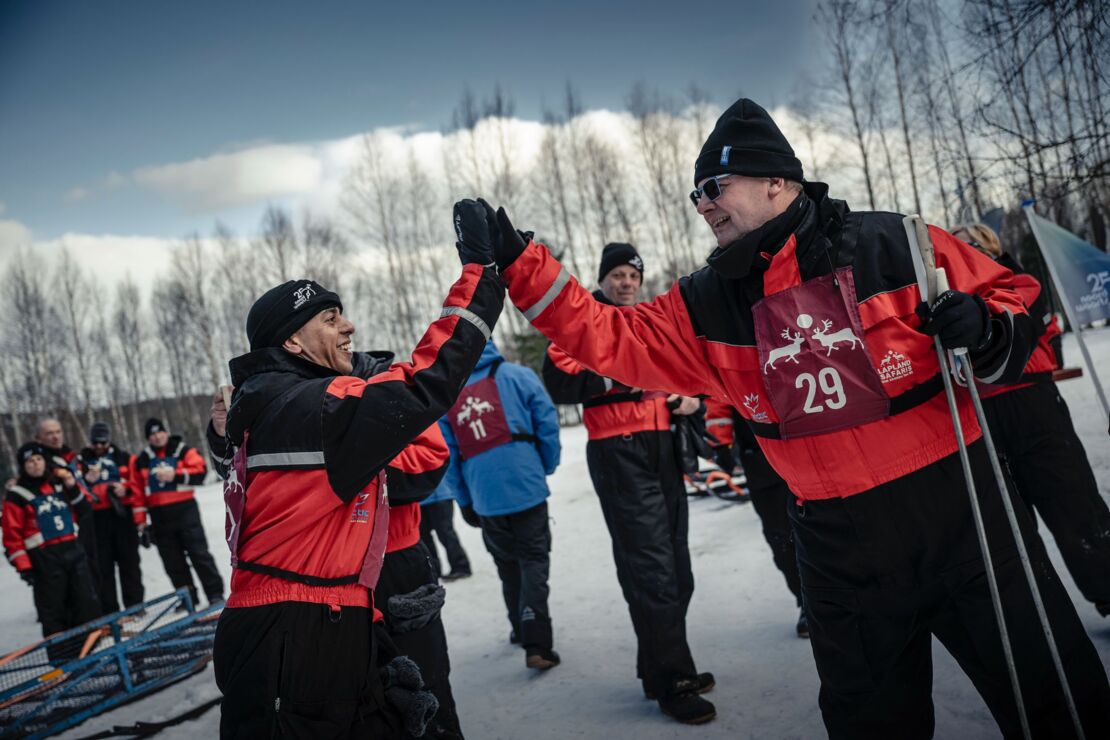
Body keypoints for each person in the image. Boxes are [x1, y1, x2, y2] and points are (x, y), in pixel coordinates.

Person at [452, 97, 1110, 738]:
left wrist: (988, 328)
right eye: (695, 195)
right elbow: (607, 335)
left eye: (715, 184)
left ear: (776, 180)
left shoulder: (894, 243)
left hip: (962, 518)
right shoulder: (706, 303)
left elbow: (1015, 294)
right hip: (835, 544)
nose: (704, 203)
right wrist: (519, 262)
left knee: (1053, 697)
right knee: (868, 720)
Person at [210, 234, 504, 737]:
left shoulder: (269, 402)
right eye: (329, 319)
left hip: (328, 609)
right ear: (292, 343)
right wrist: (481, 272)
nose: (349, 326)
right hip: (295, 626)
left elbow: (425, 459)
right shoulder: (313, 404)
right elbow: (424, 385)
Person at [541, 242, 715, 724]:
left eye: (633, 276)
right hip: (618, 451)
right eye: (617, 275)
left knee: (677, 567)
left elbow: (690, 369)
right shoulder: (587, 320)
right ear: (603, 278)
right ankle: (674, 679)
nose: (627, 283)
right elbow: (558, 382)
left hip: (662, 447)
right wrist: (623, 380)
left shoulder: (648, 318)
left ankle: (658, 666)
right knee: (652, 570)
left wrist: (690, 396)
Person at [950, 221, 1110, 617]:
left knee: (1075, 506)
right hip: (980, 416)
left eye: (972, 246)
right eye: (957, 248)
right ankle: (1039, 615)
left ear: (990, 247)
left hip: (1033, 407)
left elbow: (1016, 317)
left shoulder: (1018, 282)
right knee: (1009, 526)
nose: (966, 252)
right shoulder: (946, 298)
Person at [442, 339, 562, 670]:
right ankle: (537, 640)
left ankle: (519, 627)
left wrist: (464, 499)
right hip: (526, 485)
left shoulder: (449, 396)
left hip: (484, 494)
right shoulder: (517, 375)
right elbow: (547, 421)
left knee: (507, 564)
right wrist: (545, 465)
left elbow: (448, 455)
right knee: (534, 559)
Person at [704, 398, 806, 636]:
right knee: (779, 534)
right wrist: (721, 443)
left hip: (807, 441)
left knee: (824, 527)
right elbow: (718, 392)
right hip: (758, 451)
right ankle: (807, 602)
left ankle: (840, 600)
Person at [3, 442, 100, 657]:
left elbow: (84, 509)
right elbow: (12, 538)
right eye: (30, 462)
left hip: (73, 553)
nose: (35, 465)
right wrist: (25, 568)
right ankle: (62, 662)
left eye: (38, 459)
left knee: (85, 603)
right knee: (55, 613)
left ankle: (90, 654)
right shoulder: (17, 496)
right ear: (23, 466)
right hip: (44, 561)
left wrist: (71, 484)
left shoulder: (59, 484)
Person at [130, 418, 223, 608]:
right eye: (152, 434)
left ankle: (215, 594)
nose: (157, 437)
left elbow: (201, 471)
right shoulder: (142, 460)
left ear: (166, 432)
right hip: (159, 516)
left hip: (185, 511)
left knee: (200, 554)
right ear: (148, 438)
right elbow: (137, 493)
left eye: (159, 432)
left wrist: (175, 475)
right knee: (173, 562)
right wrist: (140, 521)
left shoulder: (182, 450)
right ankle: (187, 598)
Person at [77, 421, 144, 614]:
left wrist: (126, 489)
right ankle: (110, 610)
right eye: (95, 443)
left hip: (121, 515)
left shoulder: (124, 457)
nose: (99, 447)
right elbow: (73, 488)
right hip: (96, 518)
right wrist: (87, 482)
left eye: (102, 442)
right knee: (101, 566)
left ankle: (135, 606)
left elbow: (137, 485)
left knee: (129, 562)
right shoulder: (81, 460)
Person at [35, 417, 99, 589]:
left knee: (95, 568)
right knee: (81, 576)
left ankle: (107, 610)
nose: (55, 437)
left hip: (85, 516)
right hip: (65, 526)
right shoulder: (42, 462)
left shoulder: (70, 456)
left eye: (58, 432)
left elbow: (79, 484)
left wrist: (89, 480)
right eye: (49, 433)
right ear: (39, 438)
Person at [419, 456, 472, 581]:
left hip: (440, 496)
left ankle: (461, 567)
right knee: (424, 537)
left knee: (446, 533)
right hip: (419, 500)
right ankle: (434, 571)